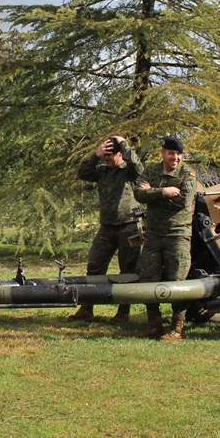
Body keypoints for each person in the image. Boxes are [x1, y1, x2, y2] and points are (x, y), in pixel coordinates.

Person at [69, 135, 145, 324]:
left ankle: (123, 312)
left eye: (110, 156)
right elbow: (83, 173)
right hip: (107, 228)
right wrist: (96, 154)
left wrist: (125, 144)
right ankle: (87, 308)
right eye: (105, 156)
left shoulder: (130, 172)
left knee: (127, 271)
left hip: (129, 226)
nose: (107, 159)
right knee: (95, 266)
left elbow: (138, 167)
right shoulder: (102, 171)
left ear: (121, 154)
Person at [133, 135, 197, 340]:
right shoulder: (151, 171)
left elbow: (183, 202)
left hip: (177, 235)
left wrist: (152, 193)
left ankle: (176, 328)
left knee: (177, 281)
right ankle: (154, 325)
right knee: (147, 278)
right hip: (153, 235)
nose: (175, 158)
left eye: (178, 154)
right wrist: (164, 192)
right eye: (171, 153)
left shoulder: (188, 175)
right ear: (163, 153)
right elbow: (138, 194)